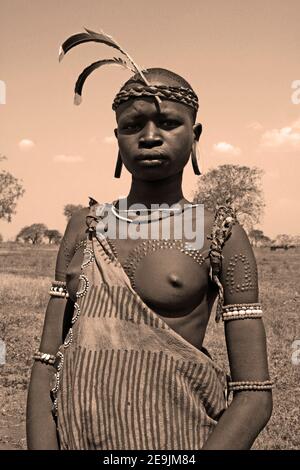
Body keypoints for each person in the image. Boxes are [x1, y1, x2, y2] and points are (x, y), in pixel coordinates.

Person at [26, 30, 273, 450]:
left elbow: (253, 393)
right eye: (133, 125)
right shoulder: (82, 226)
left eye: (169, 122)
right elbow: (46, 362)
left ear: (196, 135)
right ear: (117, 137)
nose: (150, 136)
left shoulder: (221, 233)